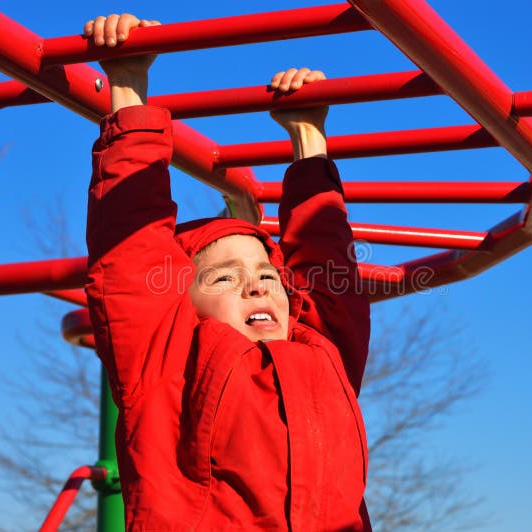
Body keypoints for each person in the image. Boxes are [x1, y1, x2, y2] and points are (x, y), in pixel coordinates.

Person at [84, 13, 371, 531]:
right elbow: (129, 254)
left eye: (267, 273)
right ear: (179, 305)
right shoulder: (167, 362)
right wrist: (128, 88)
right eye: (222, 277)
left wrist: (309, 136)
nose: (257, 282)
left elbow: (327, 264)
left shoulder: (323, 349)